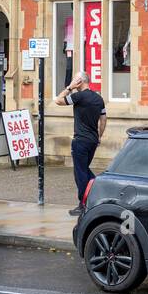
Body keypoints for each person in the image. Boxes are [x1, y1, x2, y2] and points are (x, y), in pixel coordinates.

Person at [55, 70, 105, 216]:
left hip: (81, 141)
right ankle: (97, 189)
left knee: (80, 173)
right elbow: (103, 119)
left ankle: (84, 205)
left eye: (75, 80)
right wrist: (99, 136)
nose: (73, 82)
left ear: (80, 81)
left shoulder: (78, 97)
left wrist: (69, 87)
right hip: (93, 141)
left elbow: (58, 100)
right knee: (84, 169)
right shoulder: (98, 98)